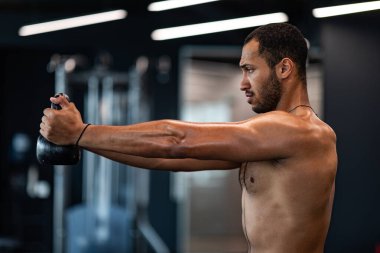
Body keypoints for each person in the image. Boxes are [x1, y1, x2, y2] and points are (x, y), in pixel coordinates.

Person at [40, 23, 337, 253]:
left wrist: (81, 131)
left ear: (284, 68)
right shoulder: (268, 138)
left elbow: (176, 140)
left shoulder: (301, 132)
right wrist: (82, 139)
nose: (243, 84)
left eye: (250, 70)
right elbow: (164, 157)